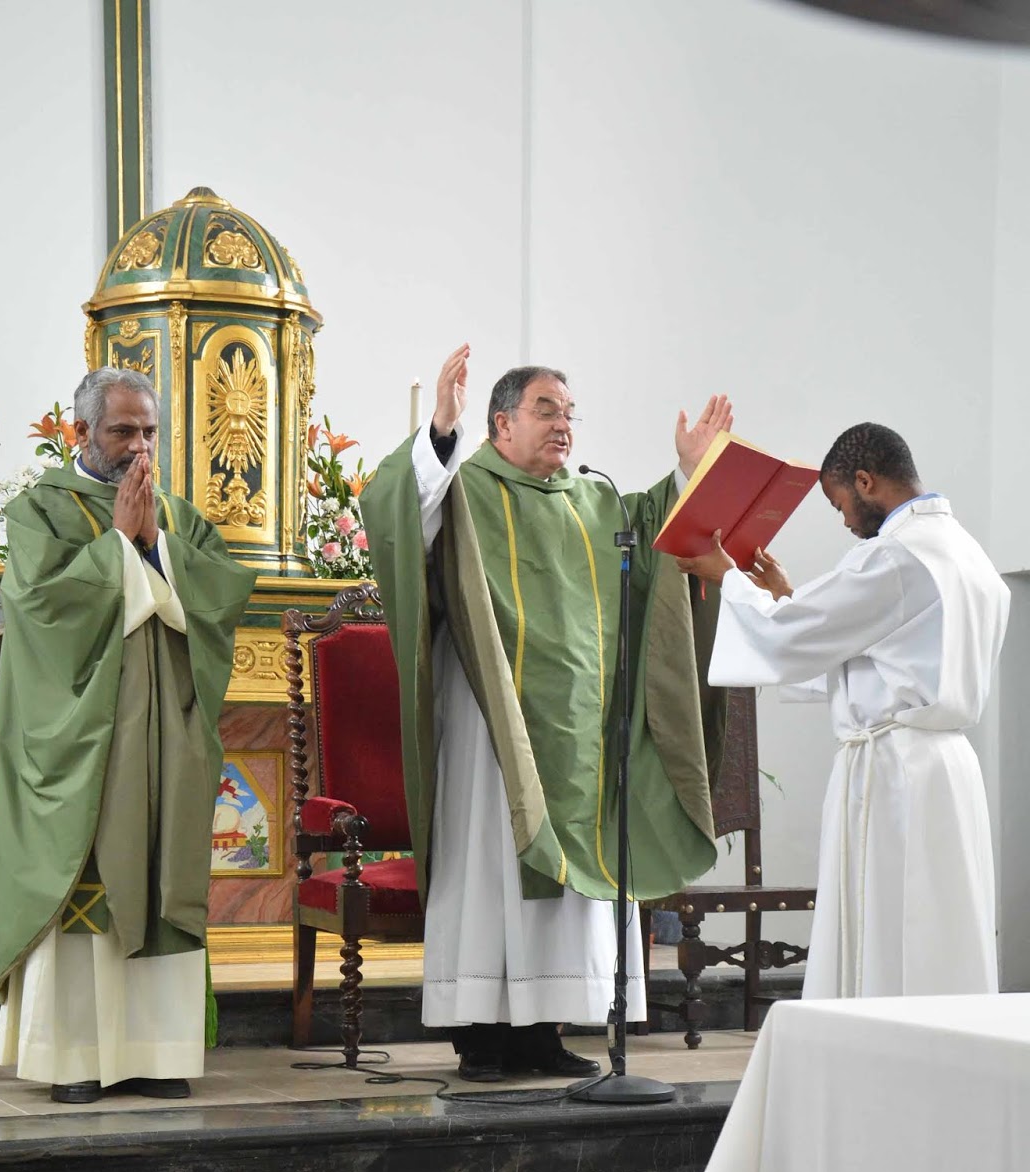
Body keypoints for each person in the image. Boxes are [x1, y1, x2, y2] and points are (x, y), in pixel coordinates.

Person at [361, 343, 729, 1081]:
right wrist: (440, 430)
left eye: (569, 413)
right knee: (489, 867)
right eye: (545, 410)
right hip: (491, 723)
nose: (563, 424)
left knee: (570, 883)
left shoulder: (594, 500)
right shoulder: (465, 489)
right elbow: (399, 516)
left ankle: (544, 1031)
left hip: (583, 730)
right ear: (501, 424)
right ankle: (481, 1035)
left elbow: (658, 538)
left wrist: (689, 473)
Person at [0, 367, 255, 1102]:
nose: (139, 447)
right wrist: (119, 545)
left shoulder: (177, 515)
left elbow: (222, 594)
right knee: (89, 882)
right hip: (83, 744)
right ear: (81, 432)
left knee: (158, 870)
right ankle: (74, 1058)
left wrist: (156, 542)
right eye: (122, 430)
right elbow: (41, 609)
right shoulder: (40, 511)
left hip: (165, 739)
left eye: (149, 431)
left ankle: (156, 1056)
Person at [675, 421, 1010, 999]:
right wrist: (785, 599)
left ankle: (878, 1039)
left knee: (886, 924)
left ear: (864, 480)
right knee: (940, 926)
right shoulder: (965, 552)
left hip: (895, 771)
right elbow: (874, 646)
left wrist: (729, 578)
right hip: (948, 769)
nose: (845, 521)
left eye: (839, 504)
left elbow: (789, 637)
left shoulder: (898, 556)